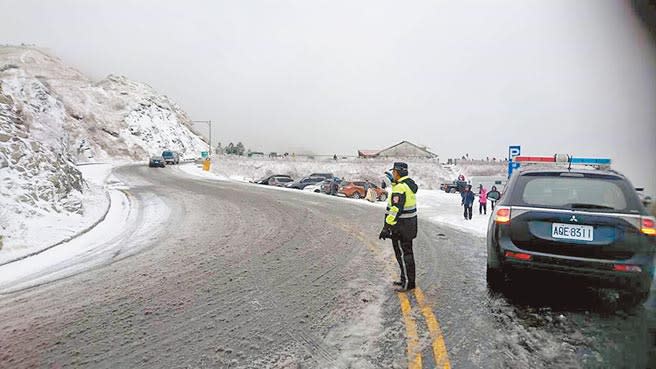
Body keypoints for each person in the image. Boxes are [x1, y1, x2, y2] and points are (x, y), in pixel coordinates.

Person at [379, 163, 419, 292]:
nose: (393, 174)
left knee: (403, 255)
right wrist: (394, 183)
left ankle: (408, 283)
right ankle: (405, 279)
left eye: (394, 172)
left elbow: (396, 209)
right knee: (406, 254)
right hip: (408, 226)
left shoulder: (400, 188)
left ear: (399, 173)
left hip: (401, 227)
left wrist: (387, 227)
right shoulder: (407, 185)